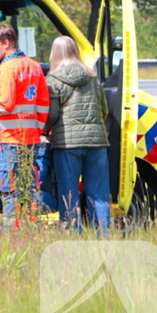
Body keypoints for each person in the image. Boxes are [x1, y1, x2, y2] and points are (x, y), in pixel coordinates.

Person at [0, 24, 49, 227]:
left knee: (9, 189)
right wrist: (37, 129)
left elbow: (5, 104)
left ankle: (12, 233)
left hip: (10, 138)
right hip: (31, 139)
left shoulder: (6, 69)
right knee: (28, 188)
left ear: (6, 43)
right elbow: (43, 104)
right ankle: (30, 228)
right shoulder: (34, 66)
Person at [44, 36, 112, 233]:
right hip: (97, 142)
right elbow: (104, 110)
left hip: (67, 143)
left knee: (69, 193)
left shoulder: (53, 80)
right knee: (99, 194)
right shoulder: (91, 77)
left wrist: (44, 130)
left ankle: (73, 235)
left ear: (54, 54)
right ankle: (104, 236)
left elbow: (53, 114)